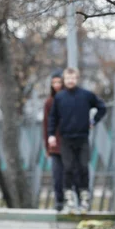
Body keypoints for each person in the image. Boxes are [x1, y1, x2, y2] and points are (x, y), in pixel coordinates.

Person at [48, 67, 107, 214]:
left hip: (82, 138)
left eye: (73, 78)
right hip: (66, 139)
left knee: (83, 167)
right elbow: (52, 117)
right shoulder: (59, 97)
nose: (70, 81)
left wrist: (93, 121)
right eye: (67, 78)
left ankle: (85, 199)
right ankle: (69, 200)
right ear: (64, 80)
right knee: (67, 168)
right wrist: (51, 135)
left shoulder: (86, 95)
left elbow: (102, 107)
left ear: (77, 78)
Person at [43, 70, 65, 212]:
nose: (56, 85)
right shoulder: (49, 102)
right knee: (57, 175)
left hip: (69, 143)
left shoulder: (68, 99)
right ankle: (59, 201)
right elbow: (45, 124)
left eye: (59, 82)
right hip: (55, 145)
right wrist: (47, 147)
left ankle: (72, 200)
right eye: (54, 83)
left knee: (71, 174)